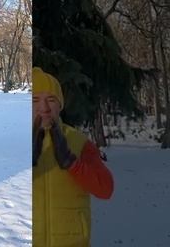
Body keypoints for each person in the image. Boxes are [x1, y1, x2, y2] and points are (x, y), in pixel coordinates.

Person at [32, 67, 114, 247]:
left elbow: (105, 189)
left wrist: (72, 163)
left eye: (51, 100)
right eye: (35, 100)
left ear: (60, 105)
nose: (44, 108)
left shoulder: (78, 142)